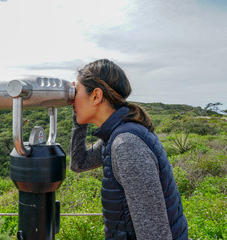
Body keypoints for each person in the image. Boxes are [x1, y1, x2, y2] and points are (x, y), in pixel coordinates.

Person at [69, 59, 188, 240]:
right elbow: (79, 163)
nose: (71, 100)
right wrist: (78, 120)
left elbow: (154, 234)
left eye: (75, 92)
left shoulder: (126, 144)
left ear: (96, 96)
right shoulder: (117, 133)